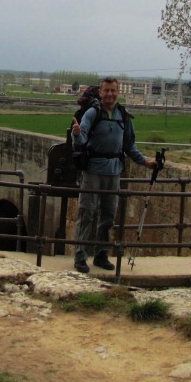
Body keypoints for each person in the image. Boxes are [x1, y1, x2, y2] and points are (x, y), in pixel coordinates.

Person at [69, 77, 156, 273]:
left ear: (118, 92)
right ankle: (80, 256)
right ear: (100, 92)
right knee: (86, 214)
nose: (110, 94)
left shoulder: (123, 115)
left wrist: (145, 161)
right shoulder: (92, 113)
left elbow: (129, 145)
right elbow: (81, 141)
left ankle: (101, 255)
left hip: (114, 171)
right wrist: (76, 133)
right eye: (106, 91)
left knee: (108, 216)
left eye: (113, 91)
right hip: (93, 171)